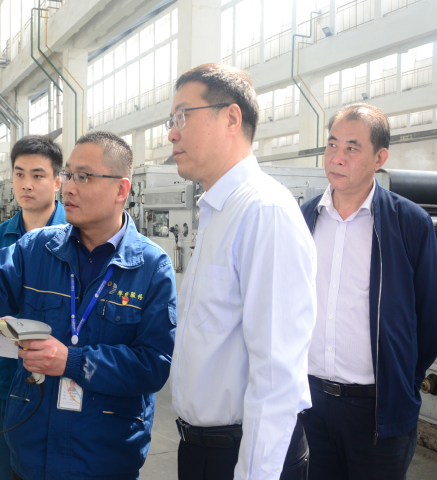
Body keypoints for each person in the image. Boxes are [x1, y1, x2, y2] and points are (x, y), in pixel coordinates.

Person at [0, 131, 176, 480]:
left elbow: (153, 365)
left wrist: (72, 361)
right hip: (31, 455)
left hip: (103, 459)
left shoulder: (150, 267)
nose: (69, 187)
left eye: (84, 177)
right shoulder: (39, 247)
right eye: (69, 174)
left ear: (121, 189)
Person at [168, 63, 317, 480]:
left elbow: (276, 374)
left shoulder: (263, 211)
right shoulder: (217, 211)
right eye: (171, 121)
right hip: (199, 449)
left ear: (231, 118)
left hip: (244, 455)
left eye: (182, 116)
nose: (172, 134)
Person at [299, 103, 437, 480]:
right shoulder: (304, 219)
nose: (337, 157)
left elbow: (436, 316)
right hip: (310, 406)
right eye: (332, 145)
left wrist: (402, 377)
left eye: (352, 148)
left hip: (377, 412)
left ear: (380, 158)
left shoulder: (408, 223)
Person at [0, 135, 66, 480]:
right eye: (19, 174)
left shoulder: (76, 234)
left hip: (55, 377)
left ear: (57, 181)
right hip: (5, 377)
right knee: (2, 469)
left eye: (38, 175)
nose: (27, 184)